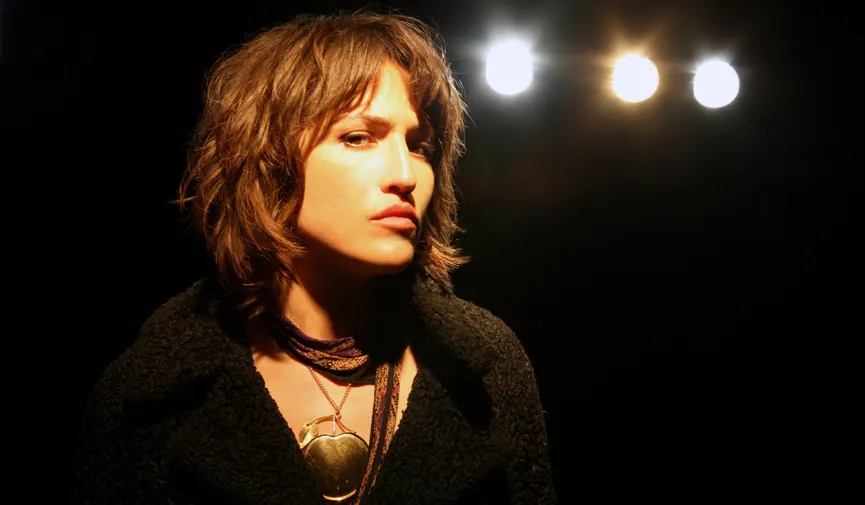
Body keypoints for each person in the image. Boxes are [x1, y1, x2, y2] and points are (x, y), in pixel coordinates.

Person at [74, 11, 555, 505]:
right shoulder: (151, 394)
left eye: (419, 146)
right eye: (357, 137)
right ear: (267, 159)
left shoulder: (486, 369)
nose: (404, 175)